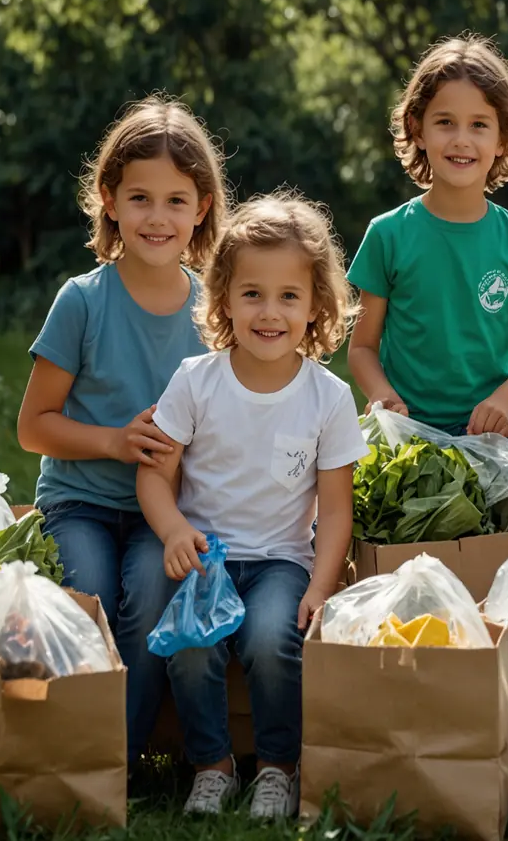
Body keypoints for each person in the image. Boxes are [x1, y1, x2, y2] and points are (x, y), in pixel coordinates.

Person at [137, 190, 367, 819]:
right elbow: (154, 478)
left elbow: (336, 510)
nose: (270, 312)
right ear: (224, 300)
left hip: (281, 562)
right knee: (191, 647)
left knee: (271, 639)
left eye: (289, 296)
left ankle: (277, 768)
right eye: (252, 294)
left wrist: (319, 587)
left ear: (316, 306)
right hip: (205, 557)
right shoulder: (196, 381)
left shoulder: (328, 397)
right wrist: (173, 530)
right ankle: (211, 767)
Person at [16, 94, 226, 761]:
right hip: (79, 501)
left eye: (176, 201)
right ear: (109, 200)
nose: (157, 217)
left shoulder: (213, 311)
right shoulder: (82, 301)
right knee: (92, 598)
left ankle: (120, 759)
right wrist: (113, 440)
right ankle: (78, 749)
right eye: (140, 198)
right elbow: (33, 427)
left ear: (202, 208)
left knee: (150, 596)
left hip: (162, 511)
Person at [347, 33, 508, 441]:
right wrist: (382, 394)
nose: (462, 139)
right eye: (445, 122)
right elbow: (361, 349)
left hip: (490, 434)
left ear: (502, 139)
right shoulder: (387, 234)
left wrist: (502, 401)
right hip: (406, 431)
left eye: (479, 125)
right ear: (418, 130)